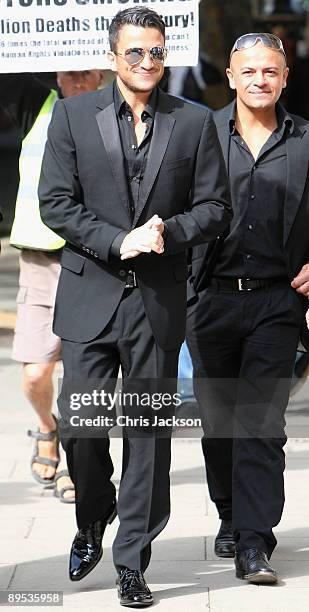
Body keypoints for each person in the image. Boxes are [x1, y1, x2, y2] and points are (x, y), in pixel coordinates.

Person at [38, 6, 231, 607]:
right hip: (90, 292)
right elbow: (55, 203)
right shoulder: (71, 115)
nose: (147, 62)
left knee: (148, 433)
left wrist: (167, 231)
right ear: (113, 56)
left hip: (158, 298)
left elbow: (215, 207)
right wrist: (118, 240)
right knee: (82, 425)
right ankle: (93, 516)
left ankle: (133, 560)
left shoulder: (195, 122)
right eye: (135, 53)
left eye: (156, 52)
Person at [186, 32, 309, 585]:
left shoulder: (306, 139)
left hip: (277, 302)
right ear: (231, 77)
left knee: (260, 423)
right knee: (219, 423)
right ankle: (231, 516)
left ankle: (255, 542)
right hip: (209, 298)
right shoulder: (197, 135)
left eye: (270, 71)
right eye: (249, 71)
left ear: (285, 78)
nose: (260, 79)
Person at [0, 70, 105, 502]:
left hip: (96, 259)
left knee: (84, 376)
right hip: (43, 258)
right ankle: (48, 426)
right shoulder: (34, 102)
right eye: (69, 67)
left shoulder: (120, 106)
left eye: (88, 68)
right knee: (36, 371)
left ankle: (77, 462)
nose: (79, 77)